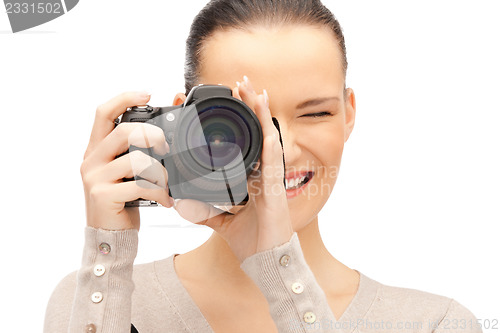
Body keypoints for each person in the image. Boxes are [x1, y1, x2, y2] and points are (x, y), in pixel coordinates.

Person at [44, 0, 482, 332]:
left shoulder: (434, 324)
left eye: (315, 114)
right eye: (246, 121)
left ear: (349, 114)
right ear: (184, 124)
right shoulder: (94, 298)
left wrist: (276, 266)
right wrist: (108, 253)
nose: (281, 150)